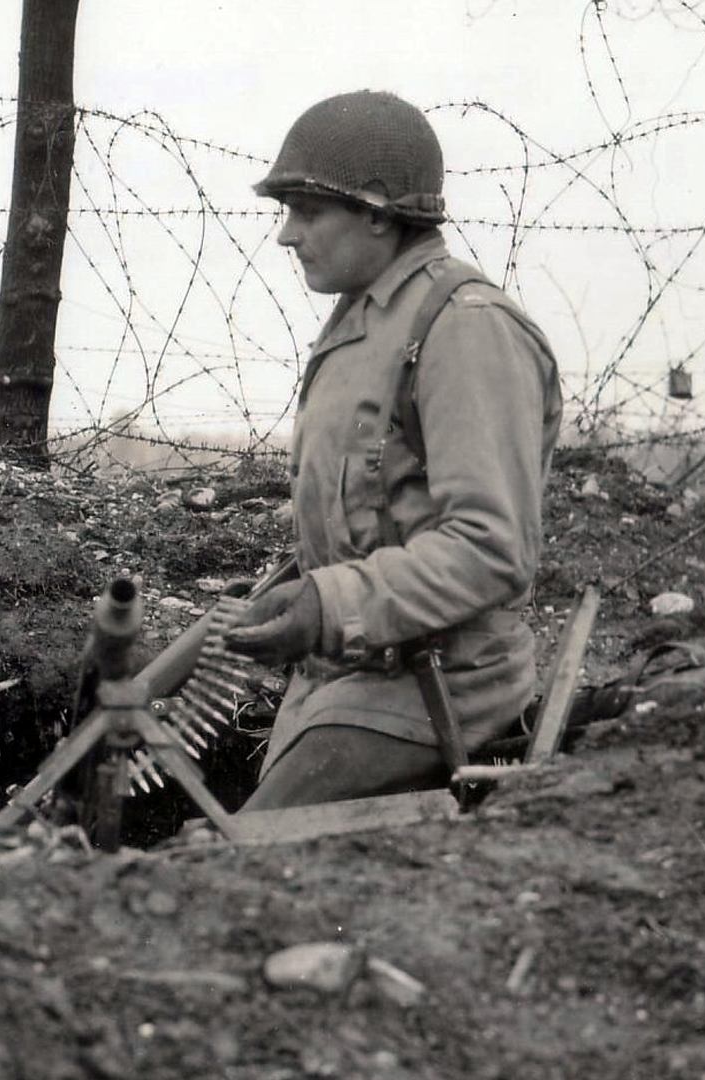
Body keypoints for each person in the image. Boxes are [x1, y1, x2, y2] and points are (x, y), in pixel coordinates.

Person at [223, 90, 563, 810]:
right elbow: (378, 512)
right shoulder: (365, 318)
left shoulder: (462, 328)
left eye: (307, 212)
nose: (287, 236)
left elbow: (491, 548)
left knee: (227, 866)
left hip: (440, 689)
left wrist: (328, 603)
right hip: (349, 683)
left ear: (378, 213)